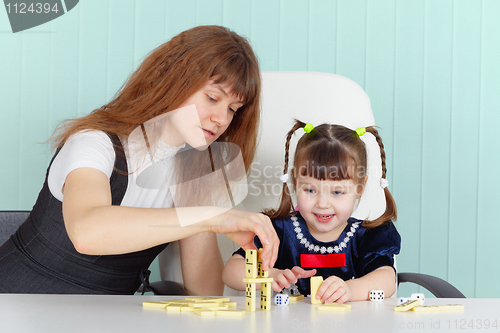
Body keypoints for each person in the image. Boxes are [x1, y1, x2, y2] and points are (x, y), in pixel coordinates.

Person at [0, 25, 278, 295]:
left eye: (232, 109)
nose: (222, 119)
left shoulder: (194, 173)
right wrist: (211, 217)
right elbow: (86, 232)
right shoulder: (94, 142)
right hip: (17, 300)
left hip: (104, 319)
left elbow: (204, 294)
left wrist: (210, 220)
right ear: (174, 81)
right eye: (212, 98)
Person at [222, 120, 400, 303]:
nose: (322, 204)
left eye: (337, 192)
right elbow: (231, 271)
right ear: (295, 182)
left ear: (360, 187)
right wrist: (273, 274)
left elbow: (387, 279)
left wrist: (351, 290)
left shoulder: (368, 236)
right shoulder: (280, 231)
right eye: (310, 190)